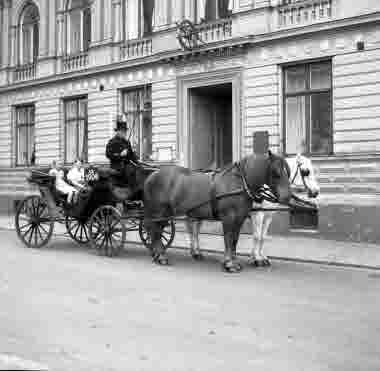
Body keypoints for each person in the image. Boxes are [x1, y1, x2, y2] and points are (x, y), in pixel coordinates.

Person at [105, 115, 139, 184]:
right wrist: (120, 155)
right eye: (123, 131)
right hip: (116, 167)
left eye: (125, 131)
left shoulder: (127, 142)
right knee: (129, 171)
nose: (125, 133)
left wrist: (137, 161)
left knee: (136, 170)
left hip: (127, 167)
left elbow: (131, 156)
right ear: (118, 131)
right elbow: (108, 154)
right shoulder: (112, 142)